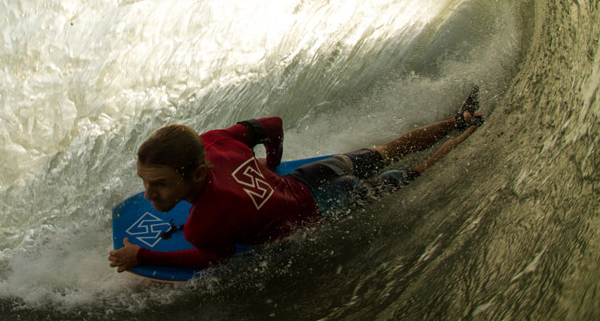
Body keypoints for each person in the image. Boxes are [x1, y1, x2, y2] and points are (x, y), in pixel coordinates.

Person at [108, 87, 484, 272]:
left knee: (412, 173)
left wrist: (140, 254)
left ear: (199, 172)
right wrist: (270, 168)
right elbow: (271, 126)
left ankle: (471, 133)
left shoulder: (205, 223)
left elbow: (211, 258)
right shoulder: (213, 142)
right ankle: (460, 120)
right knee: (387, 151)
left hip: (329, 204)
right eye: (145, 181)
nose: (149, 193)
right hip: (306, 178)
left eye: (159, 184)